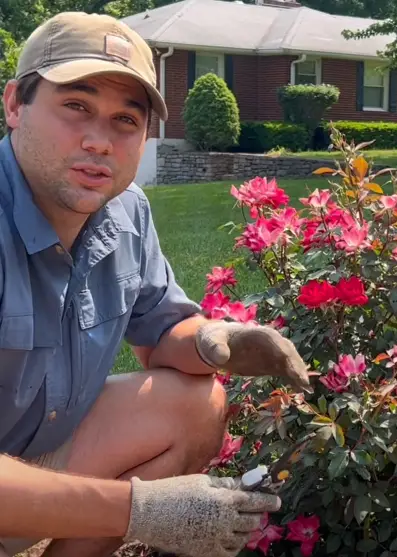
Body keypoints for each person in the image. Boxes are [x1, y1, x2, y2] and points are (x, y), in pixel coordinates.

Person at [0, 10, 311, 557]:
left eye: (126, 119)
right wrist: (141, 511)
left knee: (195, 404)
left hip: (33, 459)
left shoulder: (126, 212)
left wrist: (215, 342)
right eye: (76, 106)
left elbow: (161, 329)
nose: (100, 140)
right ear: (14, 106)